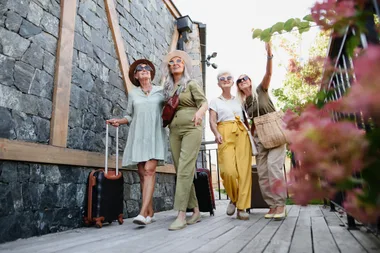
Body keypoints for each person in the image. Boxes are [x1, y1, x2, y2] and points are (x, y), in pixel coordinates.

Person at [106, 59, 166, 226]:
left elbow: (170, 107)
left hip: (155, 135)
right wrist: (119, 121)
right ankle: (150, 212)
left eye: (147, 68)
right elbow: (129, 115)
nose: (145, 70)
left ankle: (141, 213)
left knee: (149, 171)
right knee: (142, 174)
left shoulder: (161, 91)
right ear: (136, 75)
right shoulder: (133, 93)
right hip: (138, 135)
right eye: (140, 69)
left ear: (151, 74)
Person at [236, 42, 287, 220]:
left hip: (273, 132)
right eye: (240, 81)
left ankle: (280, 204)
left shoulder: (261, 90)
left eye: (245, 78)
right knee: (263, 174)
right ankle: (272, 205)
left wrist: (269, 54)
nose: (243, 81)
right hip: (259, 137)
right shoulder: (243, 103)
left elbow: (269, 73)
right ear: (239, 86)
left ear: (250, 81)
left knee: (274, 169)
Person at [162, 50, 208, 231]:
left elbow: (204, 102)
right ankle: (196, 211)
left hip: (191, 128)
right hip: (174, 130)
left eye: (178, 61)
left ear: (184, 65)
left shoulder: (191, 84)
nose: (175, 63)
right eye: (172, 62)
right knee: (181, 169)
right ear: (169, 67)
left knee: (185, 168)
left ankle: (181, 214)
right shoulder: (167, 88)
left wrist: (198, 113)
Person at [209, 71, 253, 220]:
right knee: (228, 171)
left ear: (233, 82)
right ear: (219, 84)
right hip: (224, 131)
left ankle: (242, 207)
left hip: (241, 132)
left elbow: (249, 115)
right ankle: (234, 198)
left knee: (244, 172)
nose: (226, 80)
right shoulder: (215, 101)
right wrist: (216, 133)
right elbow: (212, 120)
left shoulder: (240, 99)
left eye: (229, 78)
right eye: (222, 79)